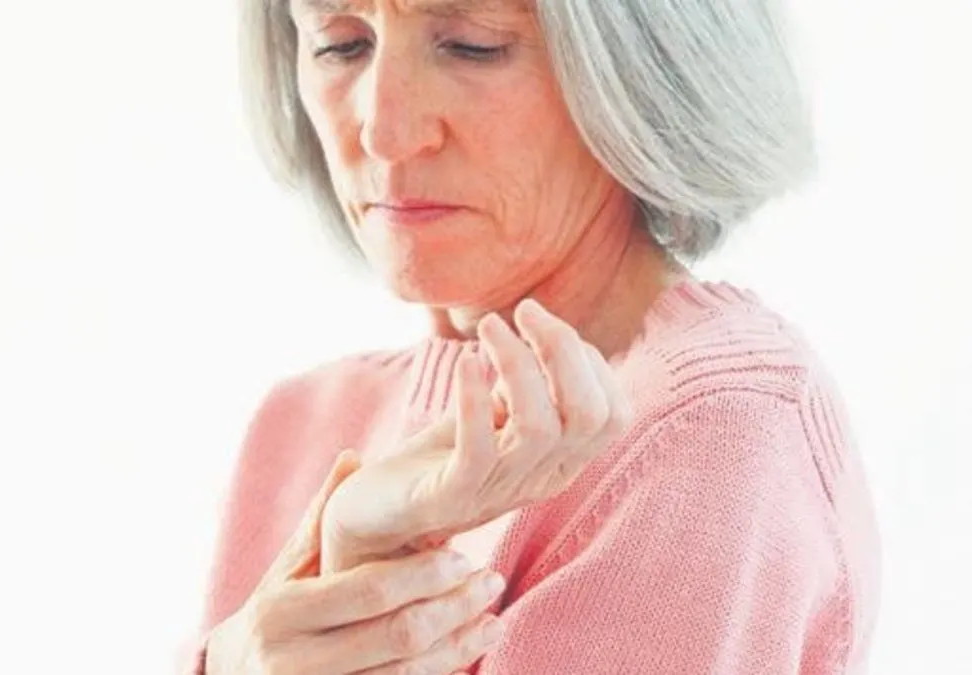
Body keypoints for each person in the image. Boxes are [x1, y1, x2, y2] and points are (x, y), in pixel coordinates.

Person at [180, 0, 881, 672]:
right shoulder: (300, 423)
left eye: (473, 45)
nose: (384, 132)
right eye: (340, 44)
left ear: (643, 66)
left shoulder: (710, 430)